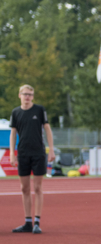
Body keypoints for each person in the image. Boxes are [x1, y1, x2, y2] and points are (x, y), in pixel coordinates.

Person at [9, 84, 55, 234]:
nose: (27, 97)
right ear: (19, 95)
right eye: (25, 94)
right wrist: (11, 153)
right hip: (22, 153)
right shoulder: (15, 112)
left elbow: (47, 129)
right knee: (24, 188)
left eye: (30, 94)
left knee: (37, 187)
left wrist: (51, 150)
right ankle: (27, 222)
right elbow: (13, 133)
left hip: (38, 153)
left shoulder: (39, 110)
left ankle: (37, 221)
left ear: (33, 96)